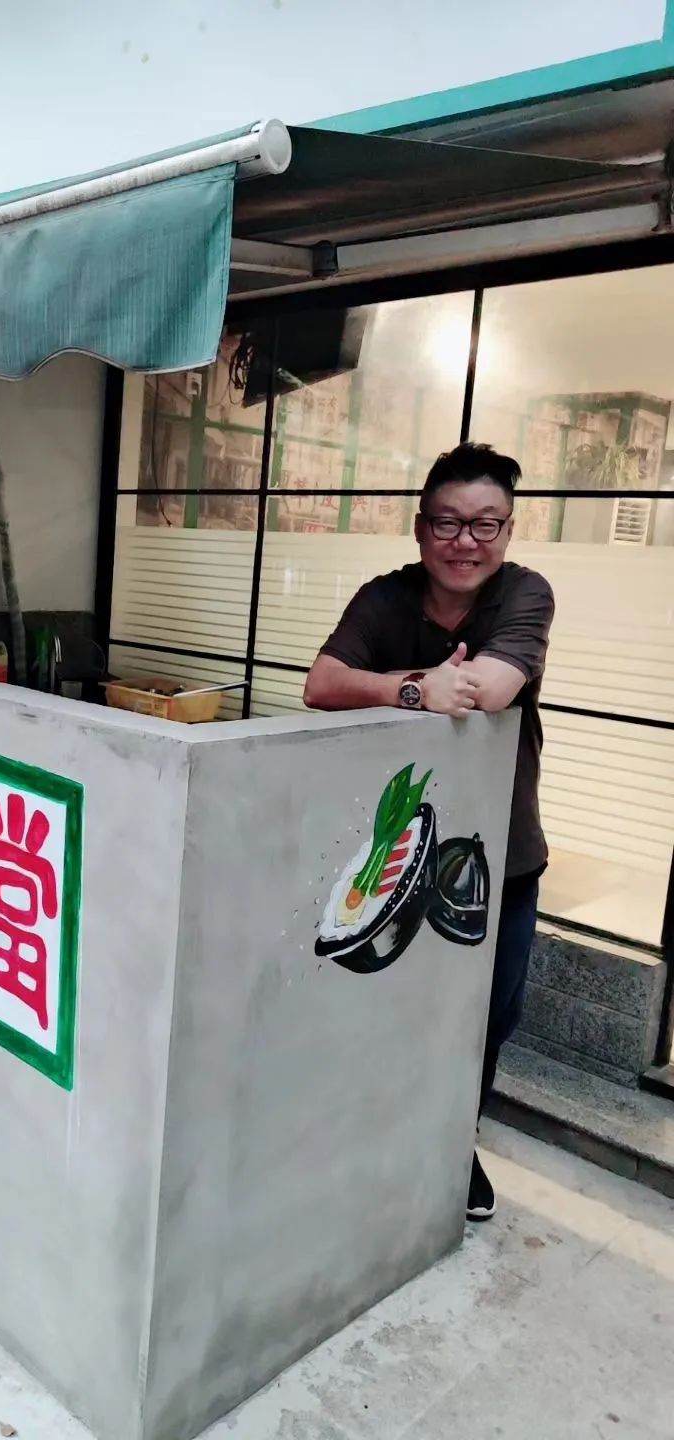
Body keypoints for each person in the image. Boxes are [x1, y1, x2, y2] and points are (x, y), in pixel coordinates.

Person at [303, 442, 554, 1223]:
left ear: (507, 531)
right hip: (393, 852)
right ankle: (382, 1135)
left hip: (498, 855)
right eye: (447, 522)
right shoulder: (384, 599)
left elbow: (493, 688)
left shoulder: (525, 595)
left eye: (486, 524)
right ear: (421, 528)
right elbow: (320, 682)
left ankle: (452, 1142)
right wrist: (417, 687)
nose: (465, 541)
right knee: (393, 1005)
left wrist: (413, 686)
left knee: (489, 1017)